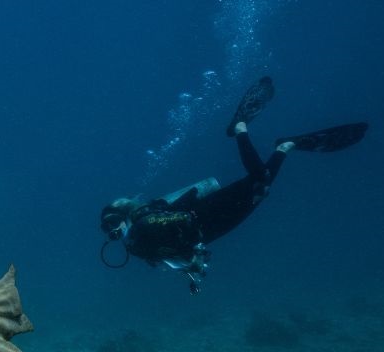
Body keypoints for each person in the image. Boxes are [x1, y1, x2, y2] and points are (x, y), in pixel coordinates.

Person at [99, 76, 368, 294]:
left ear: (121, 217)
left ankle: (242, 128)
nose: (112, 230)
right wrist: (192, 267)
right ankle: (285, 146)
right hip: (211, 229)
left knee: (259, 182)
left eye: (112, 222)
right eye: (109, 228)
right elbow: (172, 255)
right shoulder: (136, 245)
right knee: (261, 190)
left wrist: (189, 253)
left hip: (206, 215)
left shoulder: (143, 225)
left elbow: (180, 222)